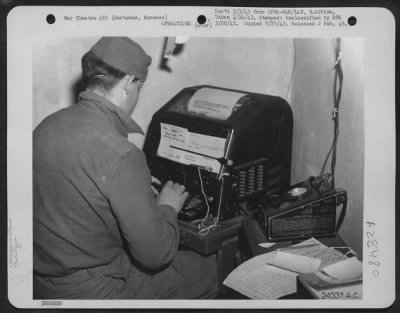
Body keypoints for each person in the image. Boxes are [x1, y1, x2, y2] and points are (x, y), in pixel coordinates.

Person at [33, 37, 218, 299]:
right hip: (95, 290)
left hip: (41, 281)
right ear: (130, 83)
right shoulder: (122, 154)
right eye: (139, 86)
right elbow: (155, 256)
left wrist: (133, 191)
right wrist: (168, 206)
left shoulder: (46, 127)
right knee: (207, 267)